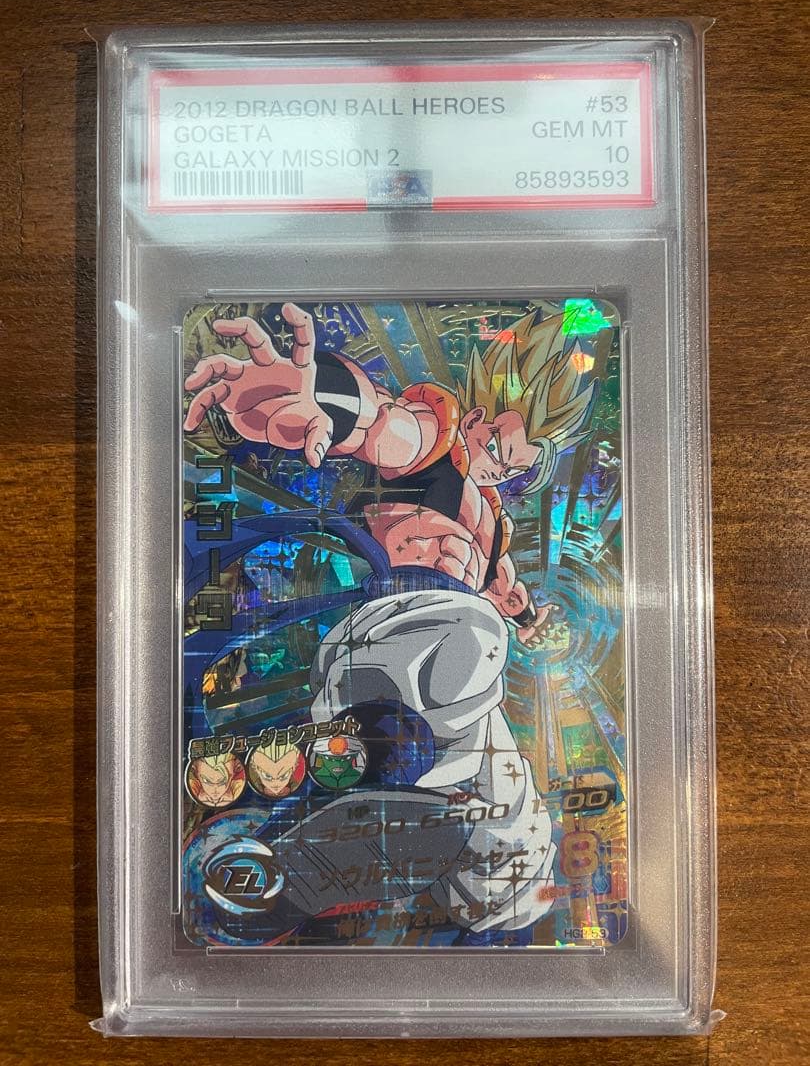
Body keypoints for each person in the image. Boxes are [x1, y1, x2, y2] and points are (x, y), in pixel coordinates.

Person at [184, 302, 596, 936]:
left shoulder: (489, 522)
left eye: (522, 466)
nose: (504, 468)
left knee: (515, 825)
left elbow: (502, 589)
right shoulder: (436, 445)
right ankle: (390, 765)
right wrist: (315, 394)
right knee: (473, 635)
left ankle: (293, 871)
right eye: (501, 448)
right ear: (478, 416)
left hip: (442, 668)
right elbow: (381, 423)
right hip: (398, 626)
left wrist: (527, 614)